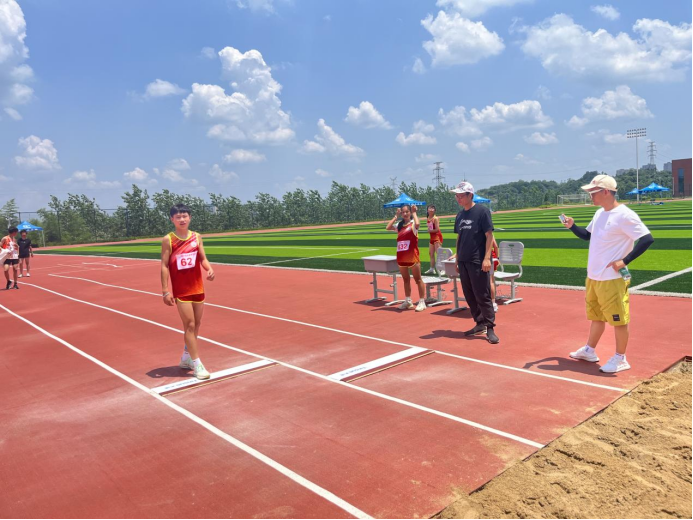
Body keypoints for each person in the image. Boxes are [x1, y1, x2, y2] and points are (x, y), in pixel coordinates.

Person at [562, 174, 654, 373]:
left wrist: (625, 261)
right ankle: (589, 350)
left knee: (619, 319)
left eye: (592, 192)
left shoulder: (625, 215)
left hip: (612, 278)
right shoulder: (599, 213)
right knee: (597, 317)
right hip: (594, 276)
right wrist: (572, 227)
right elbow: (587, 236)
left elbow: (647, 239)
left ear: (605, 192)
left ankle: (621, 358)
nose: (589, 196)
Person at [161, 204, 216, 380]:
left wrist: (209, 268)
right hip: (181, 290)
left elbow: (203, 258)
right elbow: (164, 265)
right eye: (178, 217)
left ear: (190, 217)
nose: (182, 219)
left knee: (196, 324)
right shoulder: (168, 240)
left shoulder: (197, 237)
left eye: (184, 216)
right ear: (172, 219)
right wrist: (165, 291)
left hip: (197, 287)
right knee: (190, 325)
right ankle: (197, 364)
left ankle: (185, 358)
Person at [449, 181, 499, 344]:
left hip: (478, 260)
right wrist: (457, 259)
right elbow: (459, 237)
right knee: (469, 294)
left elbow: (489, 236)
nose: (458, 198)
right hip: (463, 260)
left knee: (482, 294)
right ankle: (479, 323)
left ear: (470, 195)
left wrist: (486, 258)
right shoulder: (460, 215)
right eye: (456, 195)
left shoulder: (482, 212)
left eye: (461, 195)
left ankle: (490, 327)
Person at [386, 204, 426, 312]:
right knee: (405, 280)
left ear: (409, 212)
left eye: (406, 212)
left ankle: (422, 301)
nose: (404, 214)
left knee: (418, 279)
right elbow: (388, 227)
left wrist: (414, 212)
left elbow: (418, 223)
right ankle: (408, 300)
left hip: (412, 256)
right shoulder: (399, 225)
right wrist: (396, 215)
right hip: (402, 257)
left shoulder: (413, 224)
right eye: (403, 212)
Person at [424, 205, 444, 274]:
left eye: (433, 208)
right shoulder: (428, 218)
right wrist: (429, 230)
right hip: (432, 237)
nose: (431, 209)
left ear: (434, 210)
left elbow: (437, 229)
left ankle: (442, 269)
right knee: (431, 253)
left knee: (439, 253)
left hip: (437, 237)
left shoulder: (435, 218)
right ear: (427, 210)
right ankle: (432, 269)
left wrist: (429, 231)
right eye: (430, 208)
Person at [489, 237, 499, 312]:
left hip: (477, 257)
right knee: (490, 280)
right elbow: (495, 246)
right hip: (490, 257)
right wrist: (497, 258)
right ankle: (493, 303)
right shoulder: (488, 232)